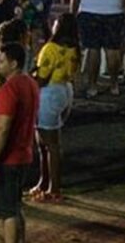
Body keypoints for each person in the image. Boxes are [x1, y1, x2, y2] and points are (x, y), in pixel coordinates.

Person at [0, 43, 39, 243]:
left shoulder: (10, 89)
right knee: (15, 207)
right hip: (24, 153)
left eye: (1, 61)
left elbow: (3, 128)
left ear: (14, 63)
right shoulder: (30, 83)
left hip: (8, 158)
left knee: (8, 212)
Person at [31, 14, 78, 203]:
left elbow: (42, 79)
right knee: (45, 142)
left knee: (50, 145)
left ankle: (54, 188)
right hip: (65, 90)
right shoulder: (75, 48)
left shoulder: (50, 49)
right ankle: (44, 182)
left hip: (49, 93)